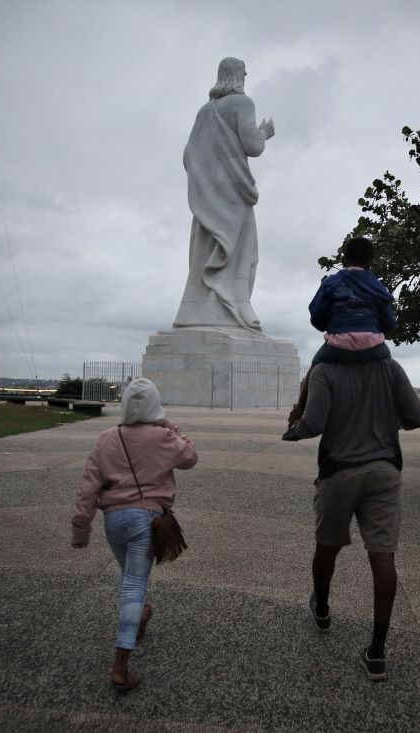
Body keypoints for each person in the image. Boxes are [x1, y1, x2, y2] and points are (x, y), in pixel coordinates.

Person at [282, 356, 420, 681]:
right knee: (383, 557)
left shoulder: (324, 370)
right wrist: (389, 422)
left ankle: (321, 607)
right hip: (385, 470)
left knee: (327, 546)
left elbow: (314, 423)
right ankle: (376, 652)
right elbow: (416, 417)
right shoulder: (390, 368)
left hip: (339, 472)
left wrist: (294, 429)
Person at [71, 378, 197, 691]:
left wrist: (80, 527)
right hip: (147, 519)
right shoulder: (163, 437)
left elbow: (88, 488)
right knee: (134, 585)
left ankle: (140, 615)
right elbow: (191, 457)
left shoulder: (106, 438)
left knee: (129, 577)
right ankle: (120, 667)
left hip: (114, 520)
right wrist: (169, 424)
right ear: (156, 406)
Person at [172, 57, 275, 332]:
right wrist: (264, 132)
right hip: (233, 195)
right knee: (244, 256)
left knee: (205, 254)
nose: (246, 77)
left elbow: (188, 155)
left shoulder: (204, 112)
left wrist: (207, 182)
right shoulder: (243, 104)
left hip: (208, 198)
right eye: (244, 73)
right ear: (238, 76)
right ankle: (234, 309)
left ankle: (199, 314)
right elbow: (252, 146)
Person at [286, 236, 397, 428]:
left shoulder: (331, 283)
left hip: (338, 347)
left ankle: (299, 415)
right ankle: (395, 415)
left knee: (314, 370)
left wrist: (331, 326)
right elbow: (389, 321)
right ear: (370, 263)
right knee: (390, 369)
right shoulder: (378, 286)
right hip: (373, 348)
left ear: (344, 259)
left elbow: (316, 316)